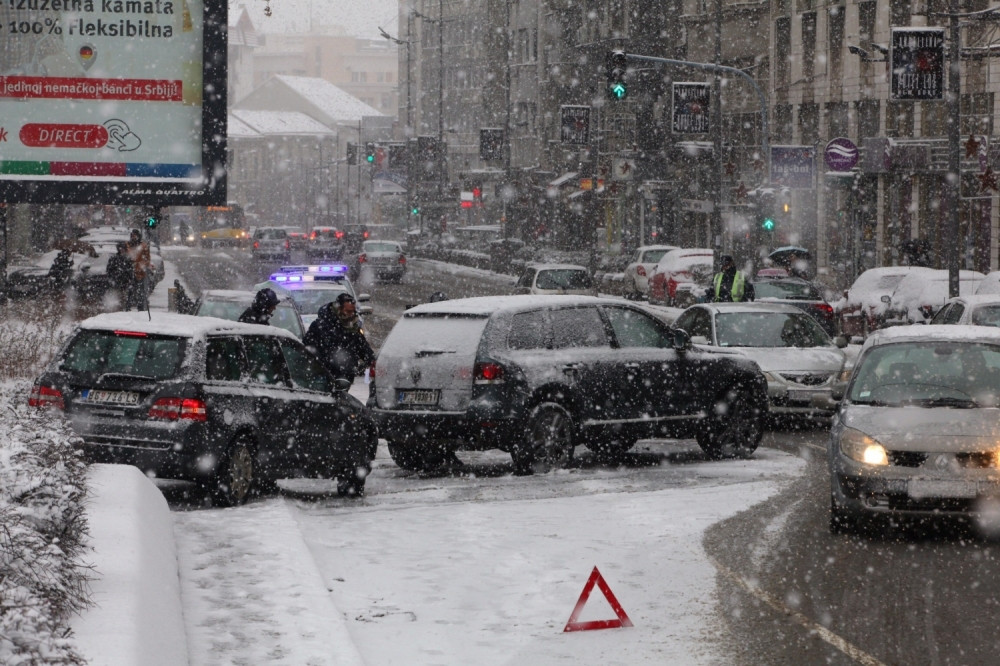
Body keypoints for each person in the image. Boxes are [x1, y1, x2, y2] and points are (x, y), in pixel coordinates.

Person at [303, 292, 376, 383]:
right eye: (348, 311)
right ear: (338, 309)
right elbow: (308, 349)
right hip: (324, 377)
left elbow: (363, 347)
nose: (351, 314)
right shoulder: (320, 326)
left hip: (345, 377)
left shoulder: (353, 328)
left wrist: (374, 361)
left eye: (353, 311)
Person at [125, 229, 152, 311]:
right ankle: (128, 306)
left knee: (140, 290)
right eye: (132, 236)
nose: (133, 237)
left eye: (135, 236)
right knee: (130, 290)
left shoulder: (143, 246)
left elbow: (147, 258)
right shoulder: (127, 245)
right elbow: (123, 256)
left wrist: (142, 265)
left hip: (139, 272)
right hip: (129, 272)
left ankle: (140, 307)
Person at [106, 242, 132, 309]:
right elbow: (109, 270)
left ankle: (126, 308)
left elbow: (131, 270)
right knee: (117, 298)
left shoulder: (128, 258)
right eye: (120, 248)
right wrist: (113, 278)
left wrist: (129, 278)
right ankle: (118, 309)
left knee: (125, 297)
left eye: (123, 248)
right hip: (117, 281)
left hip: (125, 282)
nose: (121, 250)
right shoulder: (114, 258)